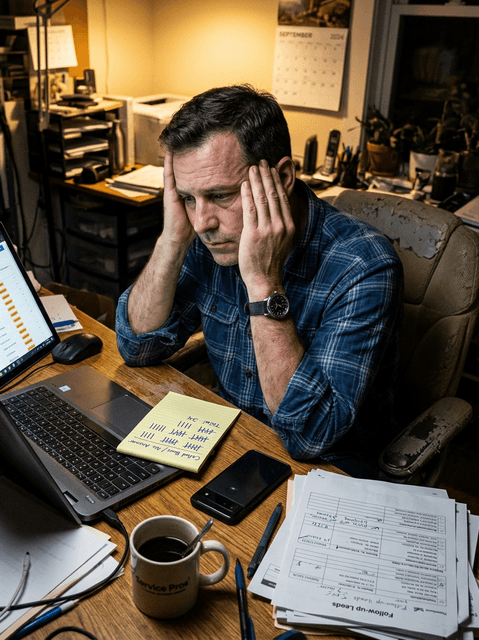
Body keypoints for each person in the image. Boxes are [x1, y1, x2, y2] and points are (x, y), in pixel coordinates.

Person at [115, 85, 403, 478]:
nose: (203, 222)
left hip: (327, 472)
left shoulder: (363, 265)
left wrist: (263, 282)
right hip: (231, 440)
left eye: (219, 195)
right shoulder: (206, 236)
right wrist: (171, 239)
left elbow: (309, 435)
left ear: (282, 177)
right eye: (187, 198)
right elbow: (137, 346)